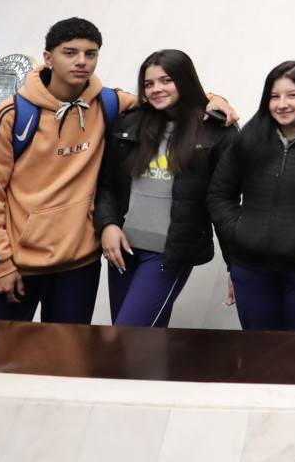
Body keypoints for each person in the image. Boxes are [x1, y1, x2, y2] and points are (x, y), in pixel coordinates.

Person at [0, 18, 131, 321]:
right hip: (14, 265)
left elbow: (164, 98)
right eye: (70, 52)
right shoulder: (12, 115)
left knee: (66, 364)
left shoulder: (107, 102)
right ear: (48, 58)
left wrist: (213, 100)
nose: (82, 61)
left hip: (78, 267)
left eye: (90, 54)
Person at [206, 60, 295, 331]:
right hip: (251, 271)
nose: (282, 104)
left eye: (292, 95)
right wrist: (240, 231)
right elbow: (218, 195)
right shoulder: (247, 140)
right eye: (274, 96)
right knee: (261, 358)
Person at [97, 49, 235, 326]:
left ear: (184, 80)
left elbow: (226, 201)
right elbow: (107, 184)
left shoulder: (216, 131)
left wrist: (236, 264)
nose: (156, 89)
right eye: (149, 84)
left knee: (129, 334)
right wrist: (107, 225)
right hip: (123, 251)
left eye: (166, 80)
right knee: (137, 341)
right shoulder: (129, 124)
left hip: (168, 254)